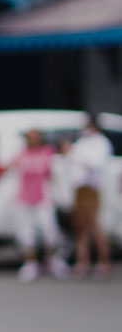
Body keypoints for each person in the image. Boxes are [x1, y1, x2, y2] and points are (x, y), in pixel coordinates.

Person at [11, 129, 69, 283]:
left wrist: (62, 196)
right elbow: (12, 171)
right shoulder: (21, 154)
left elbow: (57, 174)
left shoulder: (48, 153)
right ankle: (30, 263)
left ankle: (53, 261)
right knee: (27, 233)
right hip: (24, 198)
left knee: (49, 231)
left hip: (43, 198)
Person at [65, 115, 113, 279]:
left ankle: (103, 262)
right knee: (80, 226)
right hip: (79, 187)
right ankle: (83, 262)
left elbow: (95, 164)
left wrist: (78, 155)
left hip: (91, 187)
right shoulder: (82, 142)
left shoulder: (101, 142)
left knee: (94, 225)